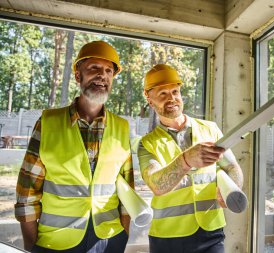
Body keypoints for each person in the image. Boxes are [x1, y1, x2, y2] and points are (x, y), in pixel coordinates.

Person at [14, 41, 134, 253]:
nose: (102, 76)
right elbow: (27, 192)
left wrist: (123, 236)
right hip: (56, 242)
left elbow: (127, 192)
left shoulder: (122, 127)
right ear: (78, 76)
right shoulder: (48, 122)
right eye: (94, 68)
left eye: (108, 71)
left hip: (109, 240)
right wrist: (31, 246)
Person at [138, 64, 244, 253]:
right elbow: (156, 185)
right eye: (162, 93)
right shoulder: (147, 143)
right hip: (167, 238)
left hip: (211, 232)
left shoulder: (210, 129)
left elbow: (232, 167)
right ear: (149, 98)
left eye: (175, 91)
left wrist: (232, 189)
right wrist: (186, 160)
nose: (171, 98)